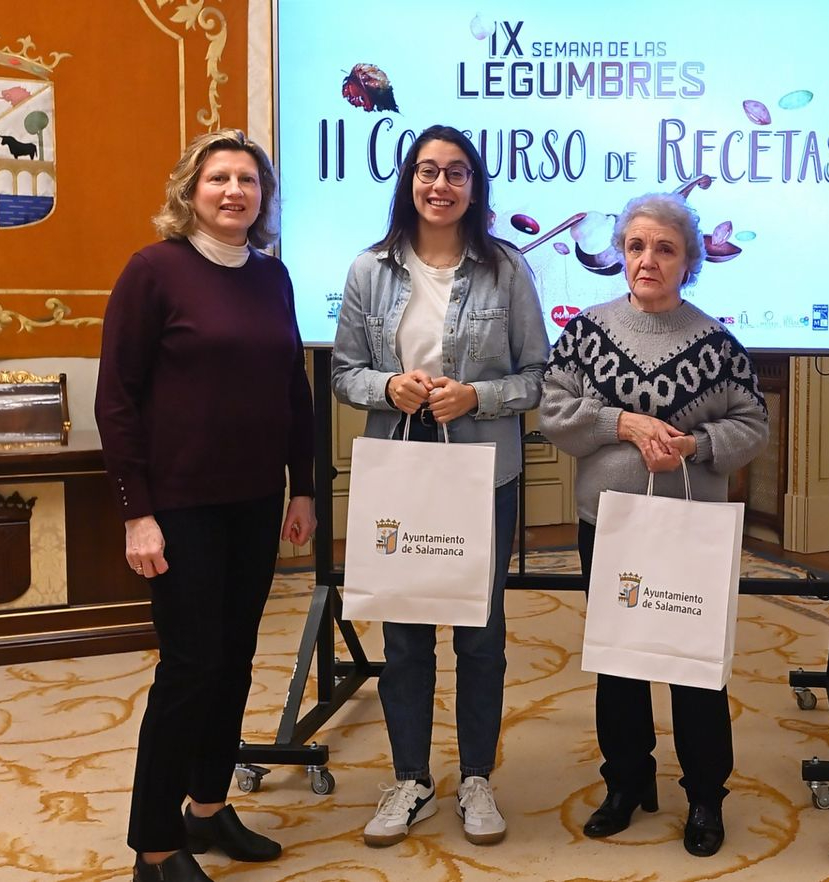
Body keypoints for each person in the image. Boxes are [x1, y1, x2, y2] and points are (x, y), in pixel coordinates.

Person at [95, 129, 316, 882]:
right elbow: (116, 399)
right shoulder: (153, 271)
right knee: (189, 669)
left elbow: (294, 389)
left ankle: (208, 808)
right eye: (218, 178)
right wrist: (136, 511)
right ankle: (155, 848)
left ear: (263, 197)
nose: (234, 192)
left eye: (248, 181)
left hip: (254, 501)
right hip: (179, 506)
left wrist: (306, 488)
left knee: (235, 663)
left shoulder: (273, 277)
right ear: (190, 191)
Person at [331, 124, 549, 848]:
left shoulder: (507, 269)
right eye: (427, 171)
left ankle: (477, 776)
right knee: (405, 633)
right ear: (409, 182)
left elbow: (538, 378)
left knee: (480, 634)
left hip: (481, 468)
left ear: (474, 186)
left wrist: (477, 398)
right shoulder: (370, 270)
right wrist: (389, 384)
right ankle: (412, 777)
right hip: (401, 463)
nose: (440, 185)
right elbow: (343, 374)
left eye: (456, 172)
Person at [538, 192, 768, 857]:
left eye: (665, 248)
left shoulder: (719, 344)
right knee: (619, 661)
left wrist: (695, 445)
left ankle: (704, 795)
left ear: (689, 260)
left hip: (690, 528)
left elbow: (752, 425)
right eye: (636, 246)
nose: (648, 260)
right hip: (609, 523)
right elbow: (556, 410)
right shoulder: (585, 331)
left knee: (695, 666)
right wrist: (624, 423)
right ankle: (626, 782)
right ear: (619, 252)